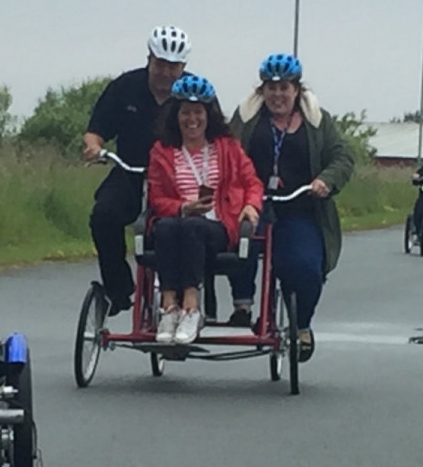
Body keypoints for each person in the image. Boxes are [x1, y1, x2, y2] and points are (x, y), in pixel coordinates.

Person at [227, 53, 355, 357]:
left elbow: (342, 157)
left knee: (304, 267)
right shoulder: (246, 118)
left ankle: (302, 326)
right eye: (271, 88)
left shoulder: (317, 121)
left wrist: (326, 180)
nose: (277, 95)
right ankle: (242, 304)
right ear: (262, 90)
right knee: (237, 243)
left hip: (299, 208)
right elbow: (226, 151)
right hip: (252, 204)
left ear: (296, 89)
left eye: (284, 87)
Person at [81, 26, 191, 315]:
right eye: (161, 65)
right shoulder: (125, 87)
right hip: (130, 172)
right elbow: (96, 131)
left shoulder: (193, 93)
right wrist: (94, 147)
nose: (166, 73)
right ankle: (119, 290)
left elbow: (215, 136)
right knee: (103, 216)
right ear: (149, 59)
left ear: (184, 67)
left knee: (183, 229)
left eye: (174, 67)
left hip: (178, 179)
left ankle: (186, 299)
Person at [144, 75, 262, 345]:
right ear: (176, 116)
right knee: (167, 226)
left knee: (193, 227)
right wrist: (185, 207)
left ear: (209, 115)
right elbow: (157, 198)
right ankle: (169, 307)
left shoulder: (228, 148)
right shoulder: (162, 152)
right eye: (186, 113)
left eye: (198, 112)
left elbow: (252, 182)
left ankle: (190, 306)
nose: (192, 119)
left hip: (217, 226)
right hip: (177, 223)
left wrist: (251, 206)